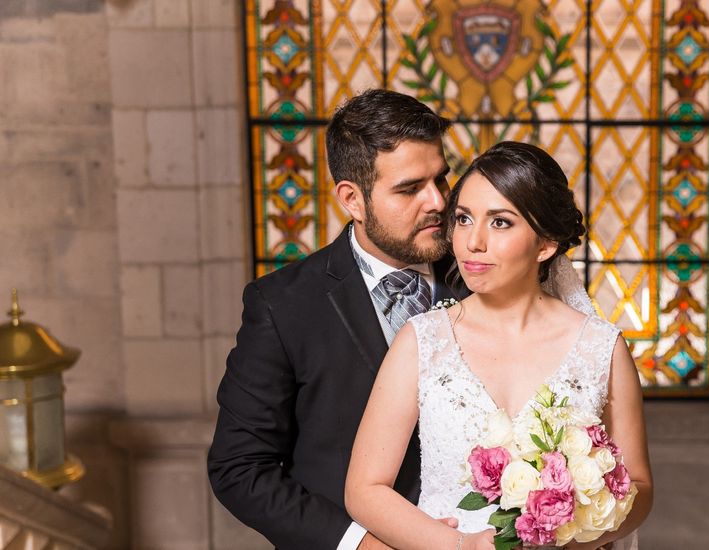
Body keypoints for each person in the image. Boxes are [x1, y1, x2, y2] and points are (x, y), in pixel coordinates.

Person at [345, 141, 653, 549]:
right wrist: (461, 546)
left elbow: (639, 487)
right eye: (463, 218)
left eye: (500, 222)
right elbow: (364, 489)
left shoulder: (601, 348)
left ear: (545, 244)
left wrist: (560, 539)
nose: (473, 242)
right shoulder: (423, 341)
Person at [207, 89, 468, 550]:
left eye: (441, 180)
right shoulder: (283, 306)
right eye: (409, 189)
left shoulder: (481, 277)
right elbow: (240, 468)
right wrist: (359, 544)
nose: (438, 202)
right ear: (353, 199)